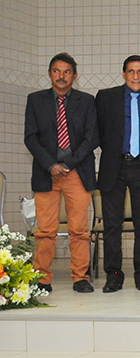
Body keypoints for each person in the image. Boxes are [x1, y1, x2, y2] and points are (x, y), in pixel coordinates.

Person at [25, 53, 99, 294]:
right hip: (46, 173)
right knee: (45, 231)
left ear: (74, 76)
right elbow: (30, 137)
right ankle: (42, 280)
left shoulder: (87, 101)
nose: (61, 76)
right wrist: (51, 165)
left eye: (67, 72)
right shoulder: (35, 100)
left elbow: (92, 137)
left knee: (79, 230)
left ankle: (80, 278)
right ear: (49, 74)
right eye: (56, 71)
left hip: (77, 172)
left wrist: (68, 163)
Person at [95, 55, 140, 292]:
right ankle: (113, 275)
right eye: (131, 71)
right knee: (112, 224)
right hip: (114, 166)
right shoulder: (105, 97)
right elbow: (100, 132)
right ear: (123, 74)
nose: (136, 76)